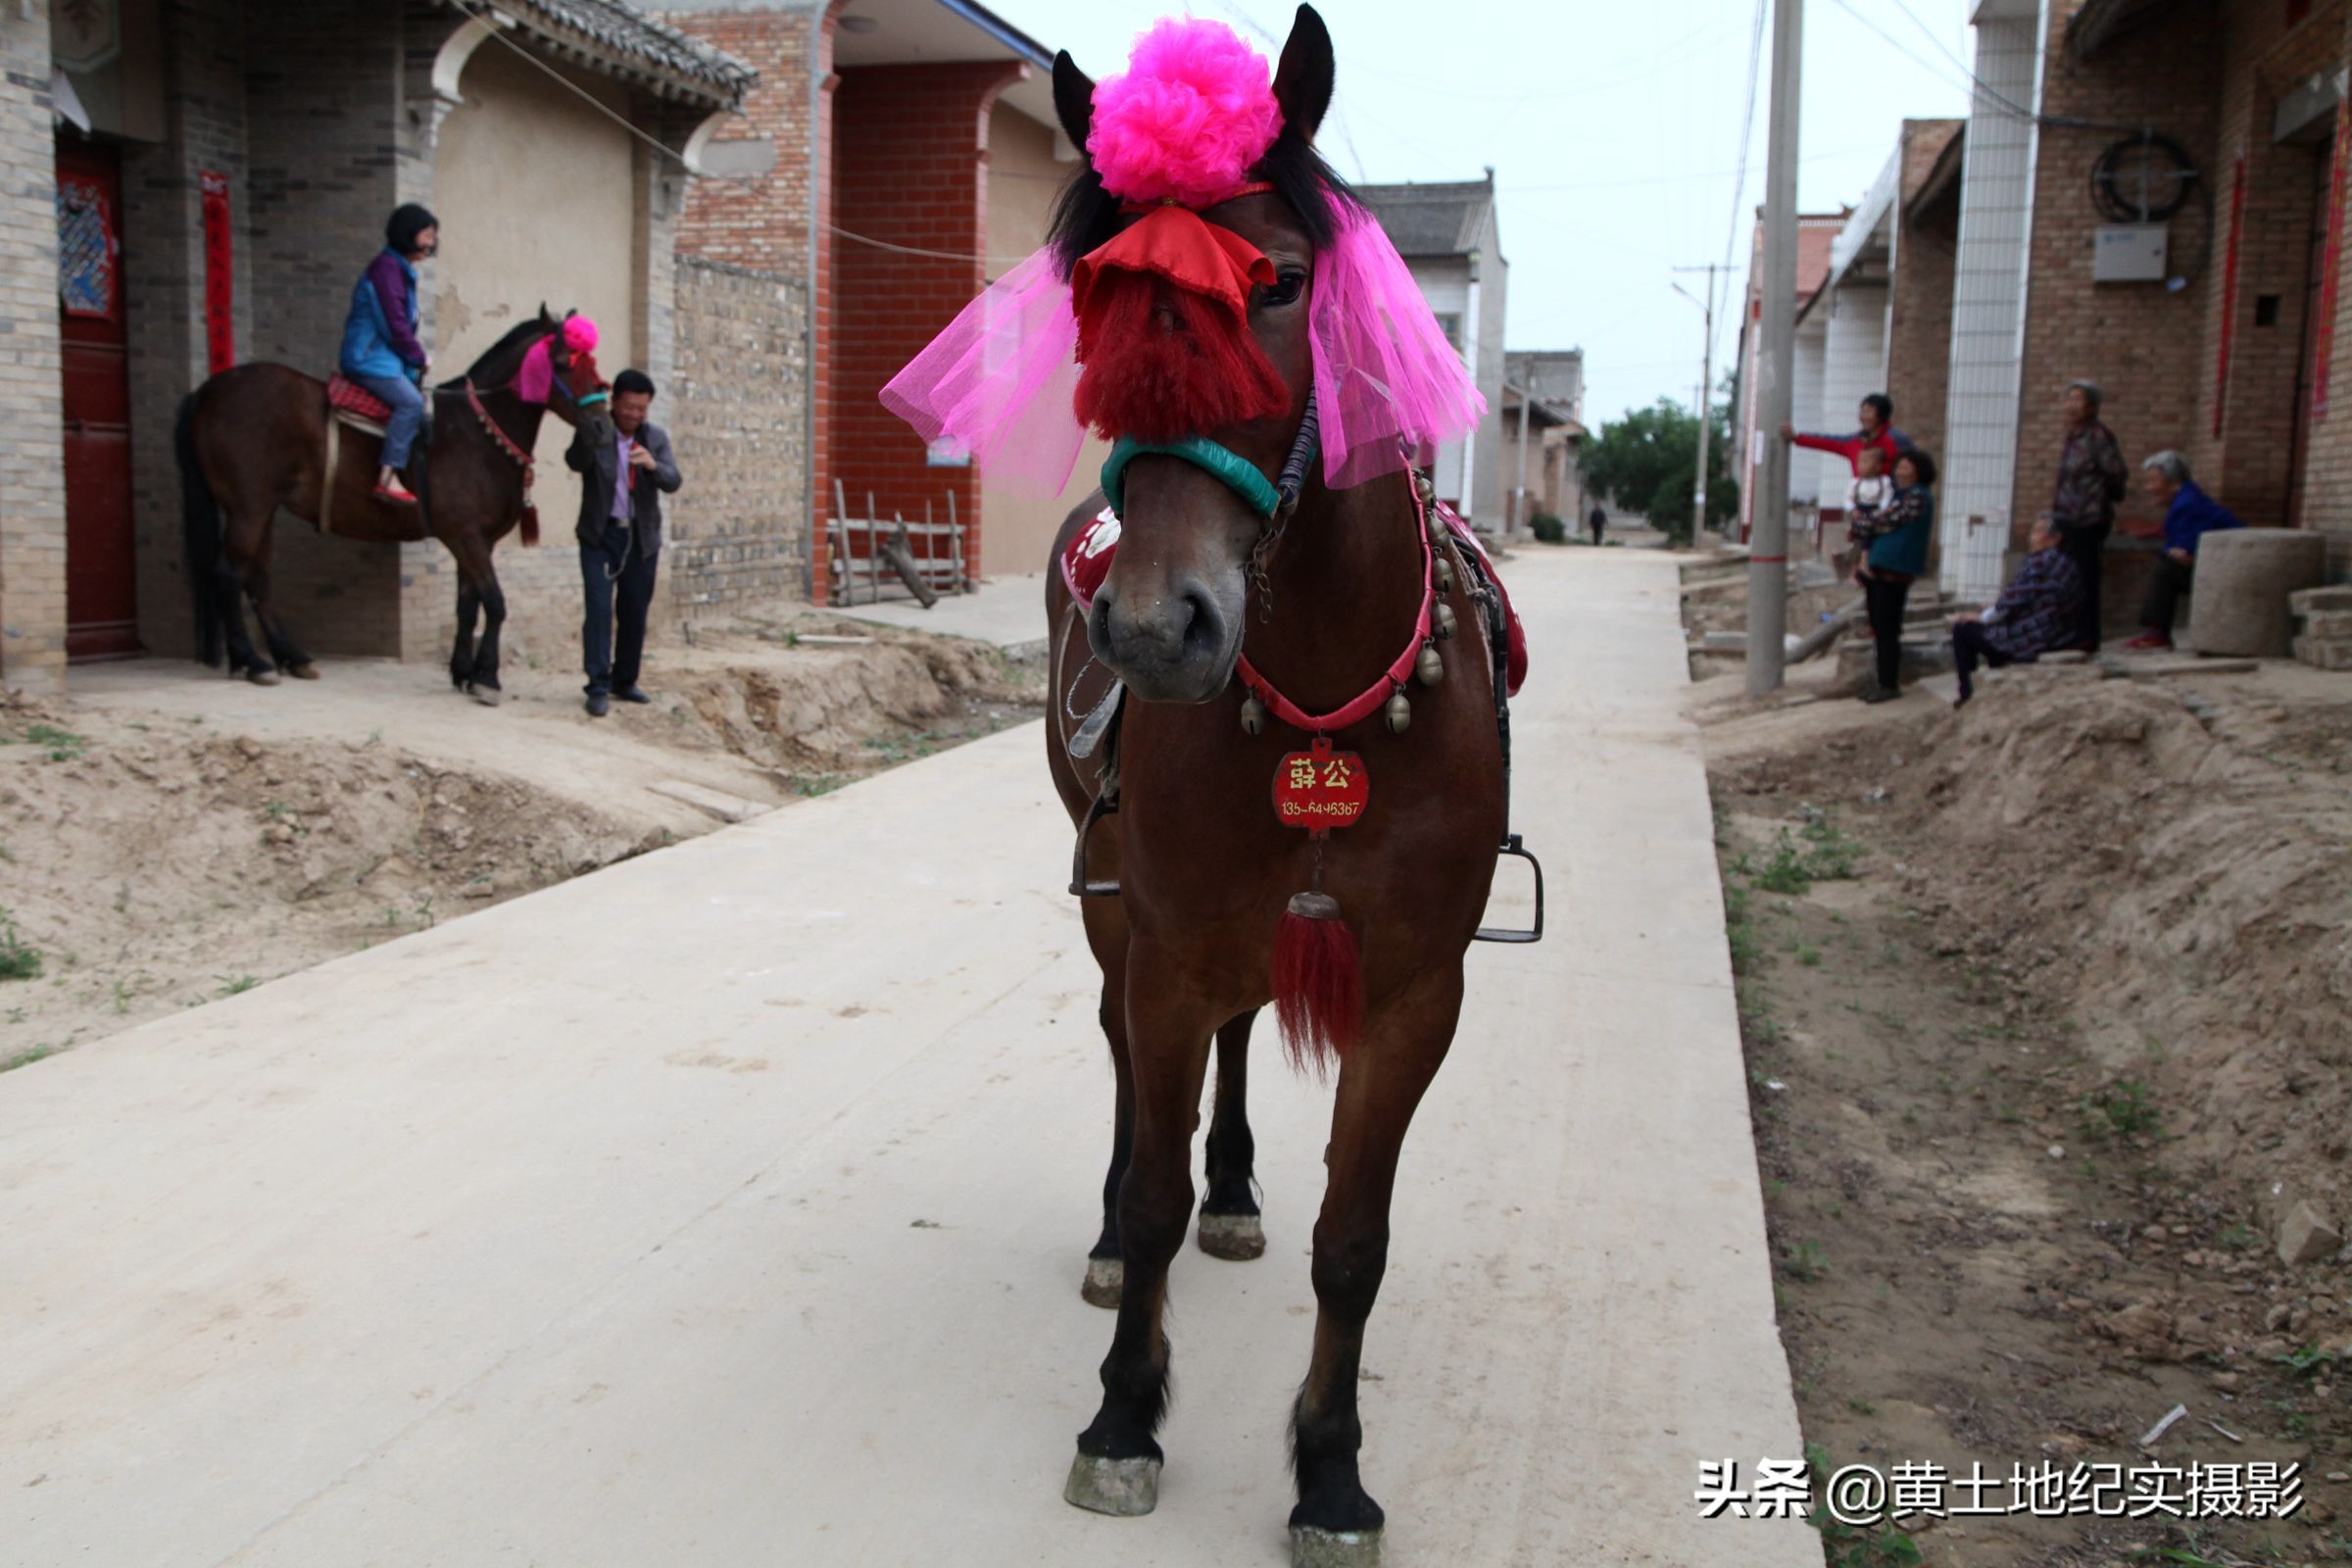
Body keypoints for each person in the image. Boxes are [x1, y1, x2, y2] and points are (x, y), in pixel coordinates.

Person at [569, 368, 682, 717]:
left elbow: (674, 479)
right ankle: (598, 685)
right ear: (615, 402)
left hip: (640, 538)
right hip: (600, 536)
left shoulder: (655, 437)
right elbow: (574, 462)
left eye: (642, 409)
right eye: (629, 407)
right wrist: (588, 435)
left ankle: (625, 680)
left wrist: (653, 465)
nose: (634, 414)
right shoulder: (597, 431)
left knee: (634, 612)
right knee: (599, 611)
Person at [340, 204, 438, 505]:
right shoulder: (386, 270)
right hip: (368, 358)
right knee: (410, 404)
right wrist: (418, 356)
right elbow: (394, 323)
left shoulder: (398, 270)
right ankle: (387, 476)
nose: (430, 243)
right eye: (426, 235)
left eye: (433, 236)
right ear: (406, 234)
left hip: (383, 358)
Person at [1947, 514, 2085, 705]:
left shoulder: (2041, 561)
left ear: (2055, 538)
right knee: (1990, 631)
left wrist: (1982, 616)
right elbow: (2030, 596)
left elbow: (2013, 600)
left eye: (2037, 532)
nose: (2031, 537)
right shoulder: (2067, 562)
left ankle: (1967, 695)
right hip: (2059, 633)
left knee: (1963, 629)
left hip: (2035, 637)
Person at [2124, 450, 2242, 651]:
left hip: (2229, 570)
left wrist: (2170, 552)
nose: (2149, 488)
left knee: (2166, 569)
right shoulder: (2186, 498)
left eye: (2154, 481)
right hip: (2219, 564)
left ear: (2173, 481)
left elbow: (2185, 556)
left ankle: (2158, 632)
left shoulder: (2186, 504)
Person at [2046, 378, 2128, 650]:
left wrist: (2101, 498)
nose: (2071, 405)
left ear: (2091, 406)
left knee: (2085, 578)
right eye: (2069, 399)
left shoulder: (2098, 436)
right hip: (2067, 519)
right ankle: (2069, 633)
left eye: (2078, 399)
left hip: (2089, 519)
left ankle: (2087, 637)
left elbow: (2116, 474)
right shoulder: (2073, 436)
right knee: (2067, 578)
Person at [1854, 448, 1936, 704]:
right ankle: (1882, 680)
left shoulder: (1916, 498)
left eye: (1907, 466)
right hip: (1884, 566)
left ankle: (1889, 683)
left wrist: (1863, 521)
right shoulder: (1902, 496)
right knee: (1879, 627)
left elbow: (1883, 521)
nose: (1900, 469)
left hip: (1896, 568)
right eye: (1899, 465)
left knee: (1887, 628)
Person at [1779, 391, 1914, 476]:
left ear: (1882, 415)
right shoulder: (1855, 441)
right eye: (1862, 411)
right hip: (1861, 507)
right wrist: (1796, 437)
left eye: (1868, 412)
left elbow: (1914, 468)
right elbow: (1828, 442)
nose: (1863, 416)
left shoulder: (1897, 440)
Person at [1843, 441, 1893, 565]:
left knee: (1874, 539)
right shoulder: (1855, 482)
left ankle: (1869, 563)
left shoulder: (1884, 481)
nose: (1861, 465)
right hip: (1860, 512)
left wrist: (1881, 510)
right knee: (1859, 539)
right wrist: (1853, 509)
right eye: (1859, 462)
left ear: (1878, 466)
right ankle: (1857, 565)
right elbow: (1848, 498)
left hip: (1876, 514)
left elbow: (1887, 497)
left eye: (1865, 462)